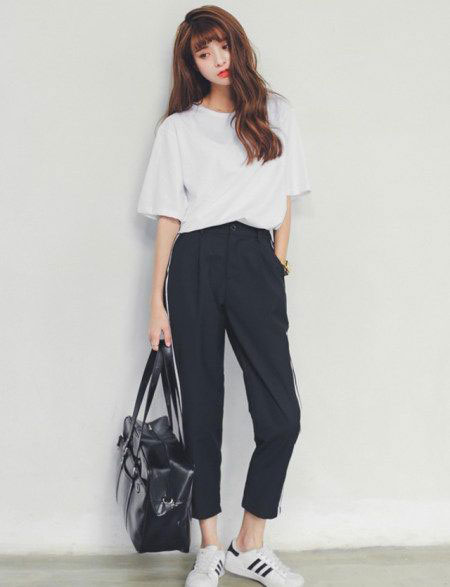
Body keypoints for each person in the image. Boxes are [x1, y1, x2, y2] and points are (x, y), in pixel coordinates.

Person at [137, 6, 311, 587]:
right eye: (203, 53)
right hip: (194, 262)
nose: (217, 60)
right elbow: (169, 215)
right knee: (203, 406)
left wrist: (276, 260)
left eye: (222, 46)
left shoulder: (276, 112)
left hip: (255, 260)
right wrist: (157, 301)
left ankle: (248, 542)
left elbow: (285, 197)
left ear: (238, 44)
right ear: (191, 63)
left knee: (281, 416)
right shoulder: (178, 129)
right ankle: (209, 545)